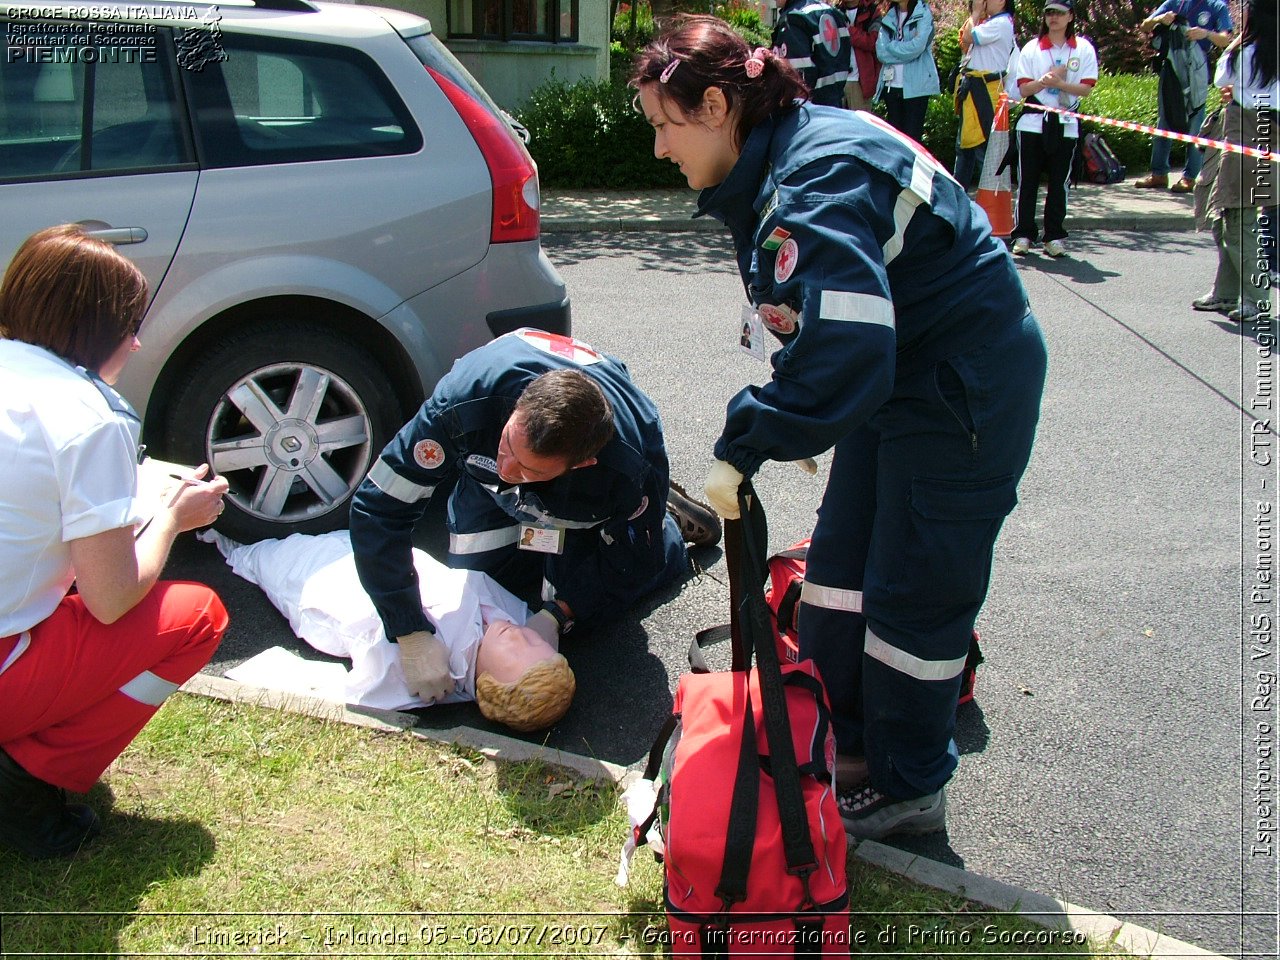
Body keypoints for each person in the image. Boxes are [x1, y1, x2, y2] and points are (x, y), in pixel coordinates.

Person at [631, 16, 1047, 840]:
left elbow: (846, 356)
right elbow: (826, 322)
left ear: (715, 104)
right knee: (841, 575)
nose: (658, 150)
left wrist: (750, 436)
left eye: (663, 125)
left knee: (912, 597)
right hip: (904, 375)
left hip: (958, 388)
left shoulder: (814, 177)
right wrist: (793, 409)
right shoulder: (791, 152)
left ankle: (908, 787)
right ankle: (849, 743)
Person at [0, 225, 230, 860]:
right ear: (97, 331)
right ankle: (30, 778)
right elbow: (111, 598)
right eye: (131, 325)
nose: (136, 340)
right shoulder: (87, 415)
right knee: (199, 617)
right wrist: (173, 518)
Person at [348, 328, 719, 706]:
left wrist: (561, 612)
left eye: (528, 469)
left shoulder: (626, 468)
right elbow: (378, 508)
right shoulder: (460, 406)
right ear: (516, 410)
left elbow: (637, 559)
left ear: (583, 463)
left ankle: (663, 519)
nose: (506, 469)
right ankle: (537, 499)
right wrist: (408, 630)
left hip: (595, 492)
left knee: (598, 597)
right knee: (480, 584)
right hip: (490, 460)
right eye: (508, 445)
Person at [213, 528, 576, 730]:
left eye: (516, 652)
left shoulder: (426, 674)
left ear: (489, 687)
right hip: (384, 557)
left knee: (262, 554)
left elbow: (352, 695)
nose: (519, 634)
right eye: (535, 640)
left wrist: (260, 673)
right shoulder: (506, 621)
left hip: (329, 584)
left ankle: (227, 541)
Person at [1190, 0, 1278, 323]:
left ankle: (1256, 300)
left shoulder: (1243, 51)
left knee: (1239, 223)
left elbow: (1220, 81)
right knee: (1227, 219)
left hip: (1244, 137)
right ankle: (1226, 292)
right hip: (1270, 140)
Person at [1008, 0, 1099, 258]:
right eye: (1049, 13)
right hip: (1032, 124)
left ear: (1070, 16)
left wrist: (1061, 83)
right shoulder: (1032, 48)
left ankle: (1054, 236)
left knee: (1059, 184)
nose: (1053, 18)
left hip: (1066, 124)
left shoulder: (1083, 48)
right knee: (1028, 182)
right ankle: (1023, 234)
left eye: (1059, 13)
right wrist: (1043, 82)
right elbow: (1024, 89)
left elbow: (1086, 89)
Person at [1133, 0, 1233, 192]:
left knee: (1195, 120)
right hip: (1171, 65)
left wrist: (1206, 34)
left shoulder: (1216, 6)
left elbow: (1225, 39)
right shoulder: (1174, 2)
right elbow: (1145, 25)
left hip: (1197, 67)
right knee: (1164, 118)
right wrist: (1160, 19)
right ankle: (1159, 173)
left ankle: (1190, 177)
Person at [953, 0, 1017, 190]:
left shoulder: (1002, 23)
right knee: (964, 148)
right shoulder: (989, 22)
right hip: (973, 88)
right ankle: (959, 197)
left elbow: (969, 37)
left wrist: (975, 12)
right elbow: (964, 41)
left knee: (984, 149)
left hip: (986, 91)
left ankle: (990, 201)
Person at [874, 0, 941, 141]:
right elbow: (881, 52)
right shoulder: (889, 15)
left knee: (911, 139)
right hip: (891, 85)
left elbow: (917, 47)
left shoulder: (923, 13)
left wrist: (892, 47)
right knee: (894, 139)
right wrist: (907, 54)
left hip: (916, 87)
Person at [772, 0, 853, 108]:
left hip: (809, 110)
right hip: (835, 105)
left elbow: (798, 79)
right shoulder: (834, 13)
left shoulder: (794, 18)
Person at [839, 0, 883, 111]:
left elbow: (874, 42)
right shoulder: (834, 12)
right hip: (837, 80)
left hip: (861, 81)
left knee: (859, 125)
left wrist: (849, 31)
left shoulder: (873, 11)